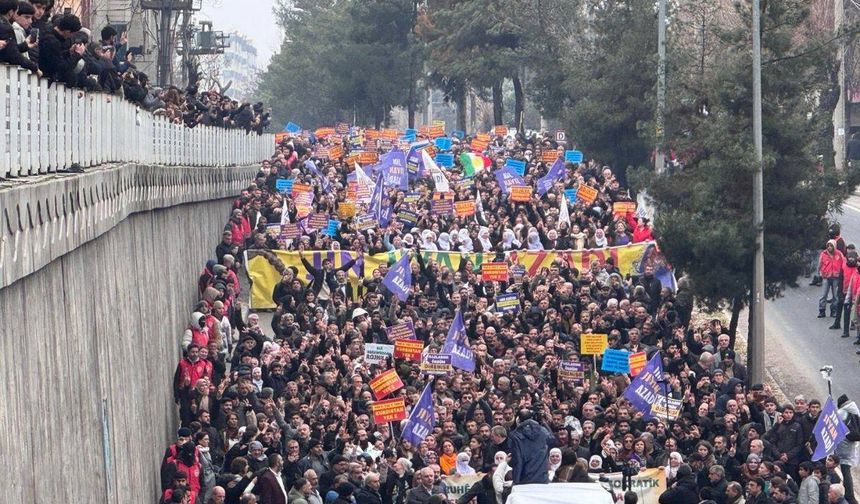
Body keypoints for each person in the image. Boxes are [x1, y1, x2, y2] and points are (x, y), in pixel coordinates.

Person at [836, 395, 860, 504]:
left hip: (843, 446)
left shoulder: (842, 413)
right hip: (852, 445)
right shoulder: (855, 410)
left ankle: (849, 495)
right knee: (846, 469)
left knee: (845, 471)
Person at [819, 240, 845, 318]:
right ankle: (822, 310)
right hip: (826, 277)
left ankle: (833, 311)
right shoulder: (823, 254)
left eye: (831, 246)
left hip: (836, 277)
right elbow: (820, 264)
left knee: (835, 296)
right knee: (823, 295)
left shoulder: (839, 254)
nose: (829, 247)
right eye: (828, 246)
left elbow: (843, 264)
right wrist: (820, 273)